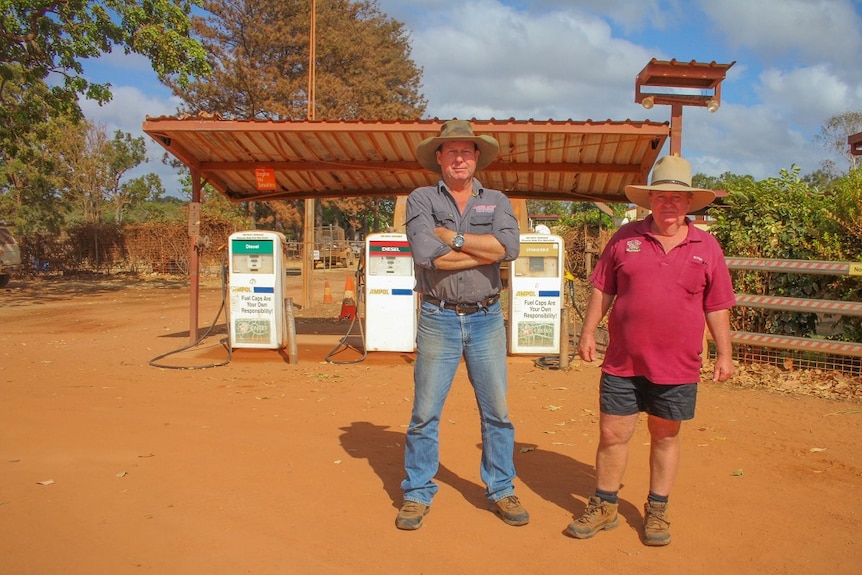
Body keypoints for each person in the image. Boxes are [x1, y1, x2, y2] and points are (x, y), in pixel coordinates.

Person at [565, 154, 736, 546]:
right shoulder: (624, 239)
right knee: (612, 433)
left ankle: (657, 510)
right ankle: (605, 504)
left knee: (665, 435)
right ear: (650, 200)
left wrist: (724, 354)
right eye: (661, 196)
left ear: (689, 202)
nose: (669, 204)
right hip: (623, 360)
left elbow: (718, 304)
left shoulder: (706, 247)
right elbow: (603, 287)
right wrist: (588, 331)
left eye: (677, 198)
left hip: (677, 365)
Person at [396, 120, 527, 530]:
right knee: (424, 413)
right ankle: (417, 492)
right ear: (439, 157)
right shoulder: (419, 199)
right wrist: (485, 252)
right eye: (451, 151)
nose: (459, 158)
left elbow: (512, 248)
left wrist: (452, 239)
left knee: (498, 413)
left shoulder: (497, 199)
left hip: (487, 317)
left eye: (466, 152)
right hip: (439, 317)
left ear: (476, 157)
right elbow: (425, 255)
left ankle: (501, 488)